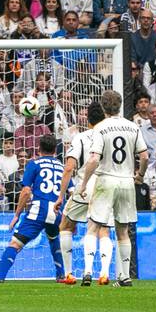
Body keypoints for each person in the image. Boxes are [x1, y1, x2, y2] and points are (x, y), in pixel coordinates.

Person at [77, 89, 146, 287]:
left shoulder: (100, 127)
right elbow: (145, 156)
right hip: (126, 181)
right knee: (123, 230)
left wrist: (84, 183)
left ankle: (88, 271)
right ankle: (124, 276)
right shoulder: (133, 127)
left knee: (93, 227)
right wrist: (139, 175)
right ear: (121, 104)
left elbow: (93, 158)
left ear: (103, 106)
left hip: (106, 180)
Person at [0, 133, 68, 283]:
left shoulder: (34, 164)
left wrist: (17, 215)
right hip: (56, 211)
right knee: (54, 238)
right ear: (55, 150)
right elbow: (71, 191)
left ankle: (0, 278)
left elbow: (26, 191)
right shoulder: (62, 167)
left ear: (39, 149)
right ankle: (61, 275)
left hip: (39, 209)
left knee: (15, 243)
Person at [51, 101, 106, 282]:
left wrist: (61, 196)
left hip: (85, 186)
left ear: (88, 119)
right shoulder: (109, 137)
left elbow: (69, 168)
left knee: (65, 225)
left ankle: (68, 273)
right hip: (107, 187)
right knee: (103, 230)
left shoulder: (80, 138)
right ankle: (106, 273)